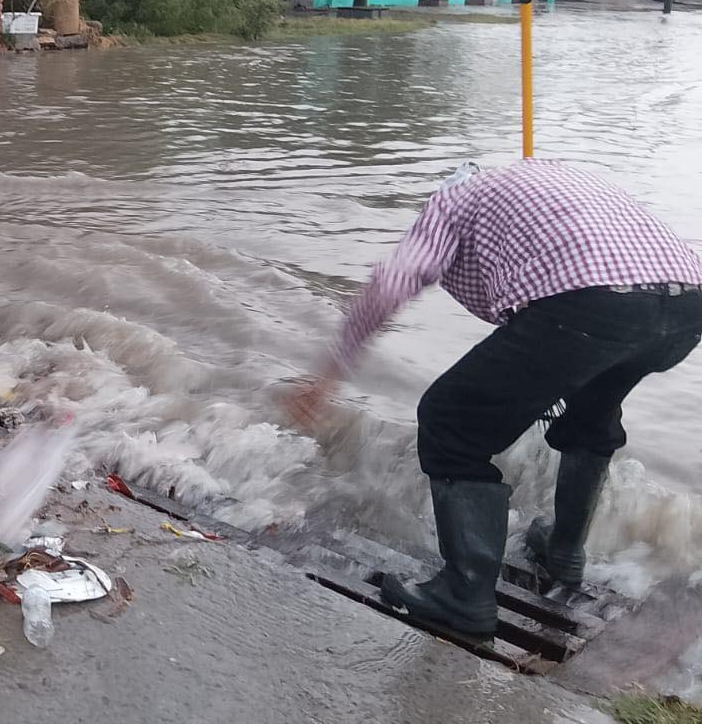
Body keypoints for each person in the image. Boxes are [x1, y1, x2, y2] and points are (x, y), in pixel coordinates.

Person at [288, 159, 702, 637]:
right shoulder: (547, 178)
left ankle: (464, 595)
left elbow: (393, 281)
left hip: (593, 301)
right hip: (686, 303)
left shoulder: (449, 204)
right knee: (592, 414)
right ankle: (564, 551)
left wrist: (330, 373)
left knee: (450, 421)